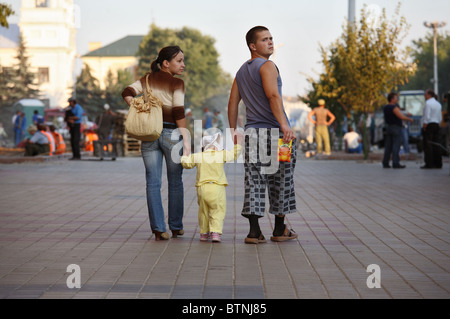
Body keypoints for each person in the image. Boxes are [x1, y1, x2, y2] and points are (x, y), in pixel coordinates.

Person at [228, 26, 298, 244]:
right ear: (252, 46)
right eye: (264, 39)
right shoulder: (267, 66)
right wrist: (285, 125)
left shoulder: (241, 71)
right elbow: (273, 96)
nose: (270, 42)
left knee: (254, 181)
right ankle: (279, 230)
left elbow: (232, 104)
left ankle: (254, 232)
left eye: (271, 38)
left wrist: (234, 131)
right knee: (282, 180)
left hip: (252, 135)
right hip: (278, 136)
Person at [122, 45, 190, 241]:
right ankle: (176, 226)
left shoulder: (146, 80)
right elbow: (178, 111)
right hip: (171, 134)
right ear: (166, 63)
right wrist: (186, 138)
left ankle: (159, 229)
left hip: (149, 134)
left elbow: (126, 92)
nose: (183, 64)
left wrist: (137, 105)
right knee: (175, 182)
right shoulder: (177, 83)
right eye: (179, 61)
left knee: (153, 183)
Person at [181, 132, 243, 242]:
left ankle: (204, 233)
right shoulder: (221, 154)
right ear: (215, 146)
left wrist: (185, 154)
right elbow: (233, 154)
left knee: (203, 211)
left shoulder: (198, 156)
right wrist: (239, 144)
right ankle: (215, 233)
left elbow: (186, 164)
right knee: (217, 210)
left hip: (202, 188)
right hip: (217, 187)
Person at [382, 92, 413, 169]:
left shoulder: (385, 107)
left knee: (388, 146)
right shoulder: (394, 108)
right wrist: (409, 119)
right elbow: (401, 116)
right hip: (396, 128)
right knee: (396, 145)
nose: (397, 99)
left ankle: (385, 162)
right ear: (392, 99)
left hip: (389, 127)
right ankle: (395, 162)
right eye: (396, 98)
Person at [421, 89, 443, 169]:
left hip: (429, 125)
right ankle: (438, 163)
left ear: (429, 95)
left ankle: (429, 164)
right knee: (436, 144)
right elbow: (440, 117)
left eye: (425, 94)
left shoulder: (428, 103)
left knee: (428, 145)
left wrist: (424, 125)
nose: (424, 96)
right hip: (437, 124)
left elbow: (427, 115)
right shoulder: (438, 104)